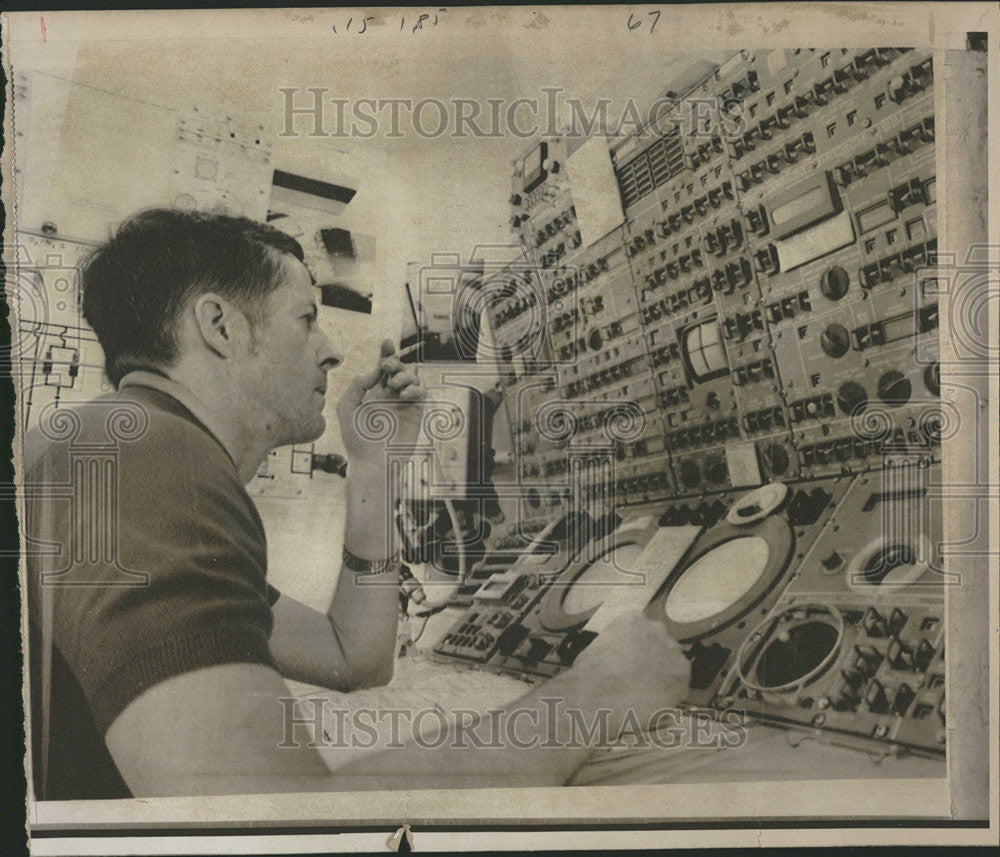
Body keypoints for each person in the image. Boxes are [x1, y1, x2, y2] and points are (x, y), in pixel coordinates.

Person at [25, 208, 690, 799]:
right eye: (306, 319)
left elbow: (355, 656)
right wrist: (596, 694)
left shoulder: (114, 446)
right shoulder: (149, 460)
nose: (331, 349)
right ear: (220, 325)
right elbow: (270, 831)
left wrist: (375, 463)